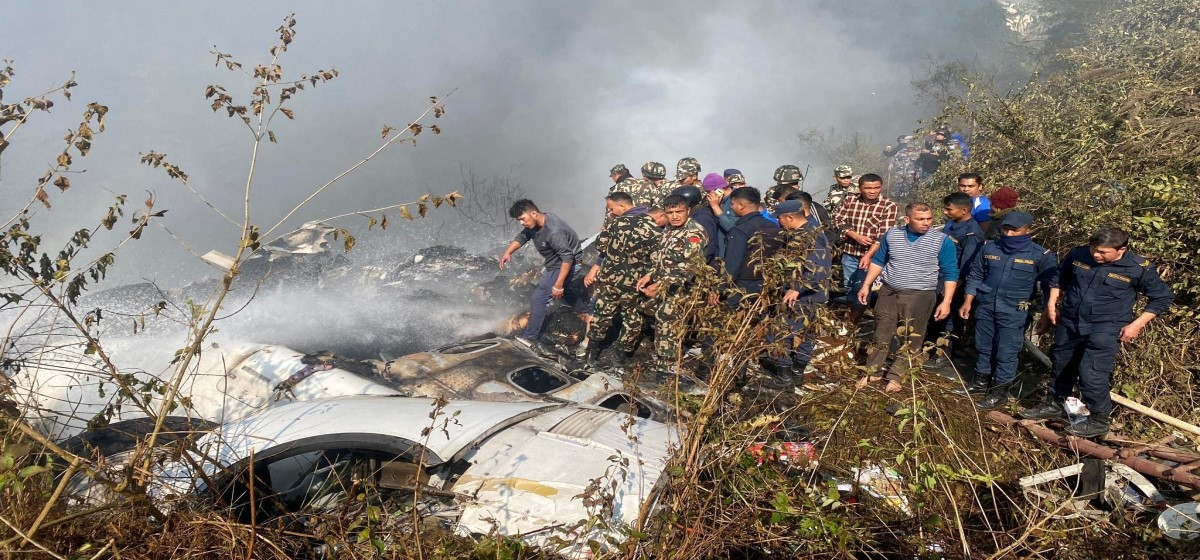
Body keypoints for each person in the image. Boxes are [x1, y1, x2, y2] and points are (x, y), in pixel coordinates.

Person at [1019, 227, 1174, 438]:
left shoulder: (1139, 268)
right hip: (1071, 320)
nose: (1096, 255)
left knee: (1092, 374)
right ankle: (1054, 404)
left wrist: (1136, 325)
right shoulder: (1078, 254)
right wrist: (1050, 307)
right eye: (1094, 250)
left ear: (1122, 250)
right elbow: (1058, 279)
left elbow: (1162, 298)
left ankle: (1098, 420)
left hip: (1106, 326)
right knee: (1061, 363)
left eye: (1102, 252)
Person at [855, 202, 960, 393]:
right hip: (889, 291)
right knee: (881, 332)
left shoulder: (942, 241)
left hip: (919, 295)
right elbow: (879, 261)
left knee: (911, 336)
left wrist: (947, 301)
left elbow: (951, 272)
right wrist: (866, 284)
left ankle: (897, 376)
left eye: (929, 219)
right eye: (920, 219)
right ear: (907, 219)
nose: (926, 223)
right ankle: (873, 370)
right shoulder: (893, 234)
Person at [959, 211, 1057, 409]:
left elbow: (1050, 287)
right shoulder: (989, 246)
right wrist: (967, 300)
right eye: (1006, 229)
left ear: (1028, 230)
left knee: (1006, 351)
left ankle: (999, 392)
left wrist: (1047, 314)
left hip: (1015, 310)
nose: (1009, 234)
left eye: (1015, 230)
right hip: (986, 304)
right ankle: (979, 383)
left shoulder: (1041, 255)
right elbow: (976, 274)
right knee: (983, 345)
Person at [582, 192, 661, 366]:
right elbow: (658, 260)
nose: (611, 212)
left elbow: (600, 246)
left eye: (611, 209)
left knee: (601, 313)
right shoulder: (654, 229)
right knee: (631, 318)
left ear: (623, 206)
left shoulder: (616, 223)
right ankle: (620, 355)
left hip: (610, 279)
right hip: (634, 283)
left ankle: (590, 354)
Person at [760, 199, 831, 389]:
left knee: (781, 334)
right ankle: (796, 374)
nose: (779, 223)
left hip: (804, 296)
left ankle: (785, 376)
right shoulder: (809, 230)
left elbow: (817, 268)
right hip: (812, 295)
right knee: (807, 334)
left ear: (790, 217)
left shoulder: (808, 237)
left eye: (780, 219)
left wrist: (797, 288)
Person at [499, 199, 587, 351]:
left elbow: (567, 258)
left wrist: (558, 285)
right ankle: (585, 311)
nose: (521, 223)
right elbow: (523, 236)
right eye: (519, 220)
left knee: (539, 298)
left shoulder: (554, 231)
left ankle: (529, 338)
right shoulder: (535, 222)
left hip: (566, 263)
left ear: (533, 213)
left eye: (522, 219)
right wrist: (508, 252)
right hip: (556, 263)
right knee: (563, 290)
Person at [636, 194, 709, 369]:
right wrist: (650, 275)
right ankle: (663, 360)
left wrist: (660, 284)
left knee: (669, 324)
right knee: (661, 320)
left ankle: (668, 366)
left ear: (688, 211)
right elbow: (663, 258)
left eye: (679, 212)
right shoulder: (669, 229)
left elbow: (691, 266)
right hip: (665, 286)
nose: (675, 216)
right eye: (670, 212)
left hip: (681, 288)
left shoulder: (694, 232)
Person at [926, 192, 986, 365]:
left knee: (951, 319)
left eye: (949, 209)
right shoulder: (951, 224)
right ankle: (930, 348)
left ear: (964, 210)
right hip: (940, 276)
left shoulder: (972, 233)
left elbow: (968, 263)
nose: (945, 212)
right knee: (936, 315)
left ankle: (944, 355)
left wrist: (954, 286)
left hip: (955, 282)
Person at [832, 174, 898, 322]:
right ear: (860, 188)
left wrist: (868, 255)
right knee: (850, 287)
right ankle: (852, 318)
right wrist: (855, 236)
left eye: (876, 188)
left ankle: (852, 322)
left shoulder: (888, 205)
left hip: (874, 257)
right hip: (850, 252)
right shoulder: (850, 200)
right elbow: (837, 219)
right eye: (868, 188)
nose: (873, 191)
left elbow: (883, 235)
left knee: (863, 287)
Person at [723, 187, 781, 302]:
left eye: (732, 204)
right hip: (769, 284)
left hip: (743, 286)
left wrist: (721, 288)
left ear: (741, 205)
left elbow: (733, 263)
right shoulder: (774, 226)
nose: (731, 206)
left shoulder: (740, 231)